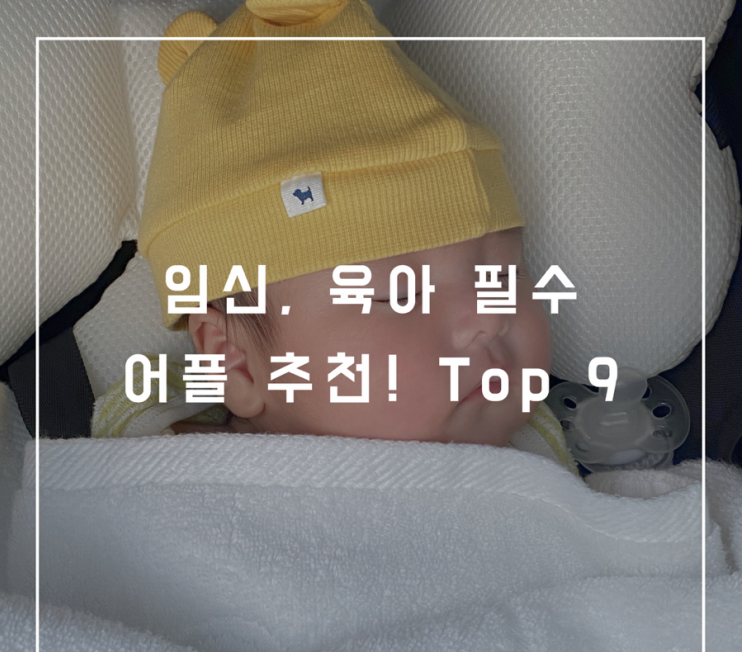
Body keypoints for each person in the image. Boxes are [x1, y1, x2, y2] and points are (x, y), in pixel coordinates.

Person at [94, 0, 577, 473]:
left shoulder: (541, 463)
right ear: (234, 360)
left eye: (504, 274)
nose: (491, 316)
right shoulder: (163, 473)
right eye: (401, 294)